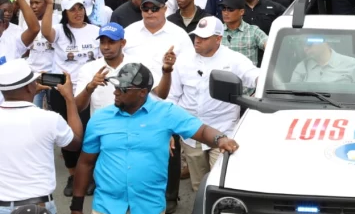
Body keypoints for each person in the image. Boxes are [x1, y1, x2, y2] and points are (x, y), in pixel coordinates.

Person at [69, 63, 240, 214]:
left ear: (142, 92)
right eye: (116, 87)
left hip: (149, 206)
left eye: (123, 89)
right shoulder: (100, 118)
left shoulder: (167, 113)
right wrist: (76, 206)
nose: (116, 92)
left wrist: (220, 139)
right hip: (107, 206)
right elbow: (86, 162)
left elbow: (201, 131)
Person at [169, 17, 259, 192]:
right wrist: (169, 129)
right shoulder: (183, 60)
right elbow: (172, 96)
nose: (197, 40)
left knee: (221, 184)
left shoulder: (233, 59)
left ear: (218, 38)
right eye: (196, 36)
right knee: (198, 187)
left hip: (223, 130)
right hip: (191, 133)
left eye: (204, 38)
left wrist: (262, 83)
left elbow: (253, 75)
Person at [0, 62, 82, 214]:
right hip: (38, 206)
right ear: (29, 87)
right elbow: (75, 143)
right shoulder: (49, 119)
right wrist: (69, 98)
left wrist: (28, 94)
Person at [40, 0, 99, 197]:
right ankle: (74, 174)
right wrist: (48, 4)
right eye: (72, 9)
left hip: (88, 90)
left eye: (80, 8)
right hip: (63, 90)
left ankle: (89, 174)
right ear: (65, 13)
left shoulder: (94, 31)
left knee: (88, 133)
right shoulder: (59, 30)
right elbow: (45, 31)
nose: (77, 13)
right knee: (67, 135)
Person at [291, 40, 355, 83]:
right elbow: (292, 95)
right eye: (302, 45)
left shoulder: (351, 64)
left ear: (325, 42)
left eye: (309, 43)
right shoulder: (302, 66)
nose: (305, 48)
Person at [220, 0, 267, 65]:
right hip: (221, 75)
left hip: (246, 75)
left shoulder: (253, 31)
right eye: (224, 9)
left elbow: (269, 45)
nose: (225, 13)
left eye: (230, 9)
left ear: (241, 12)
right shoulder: (216, 31)